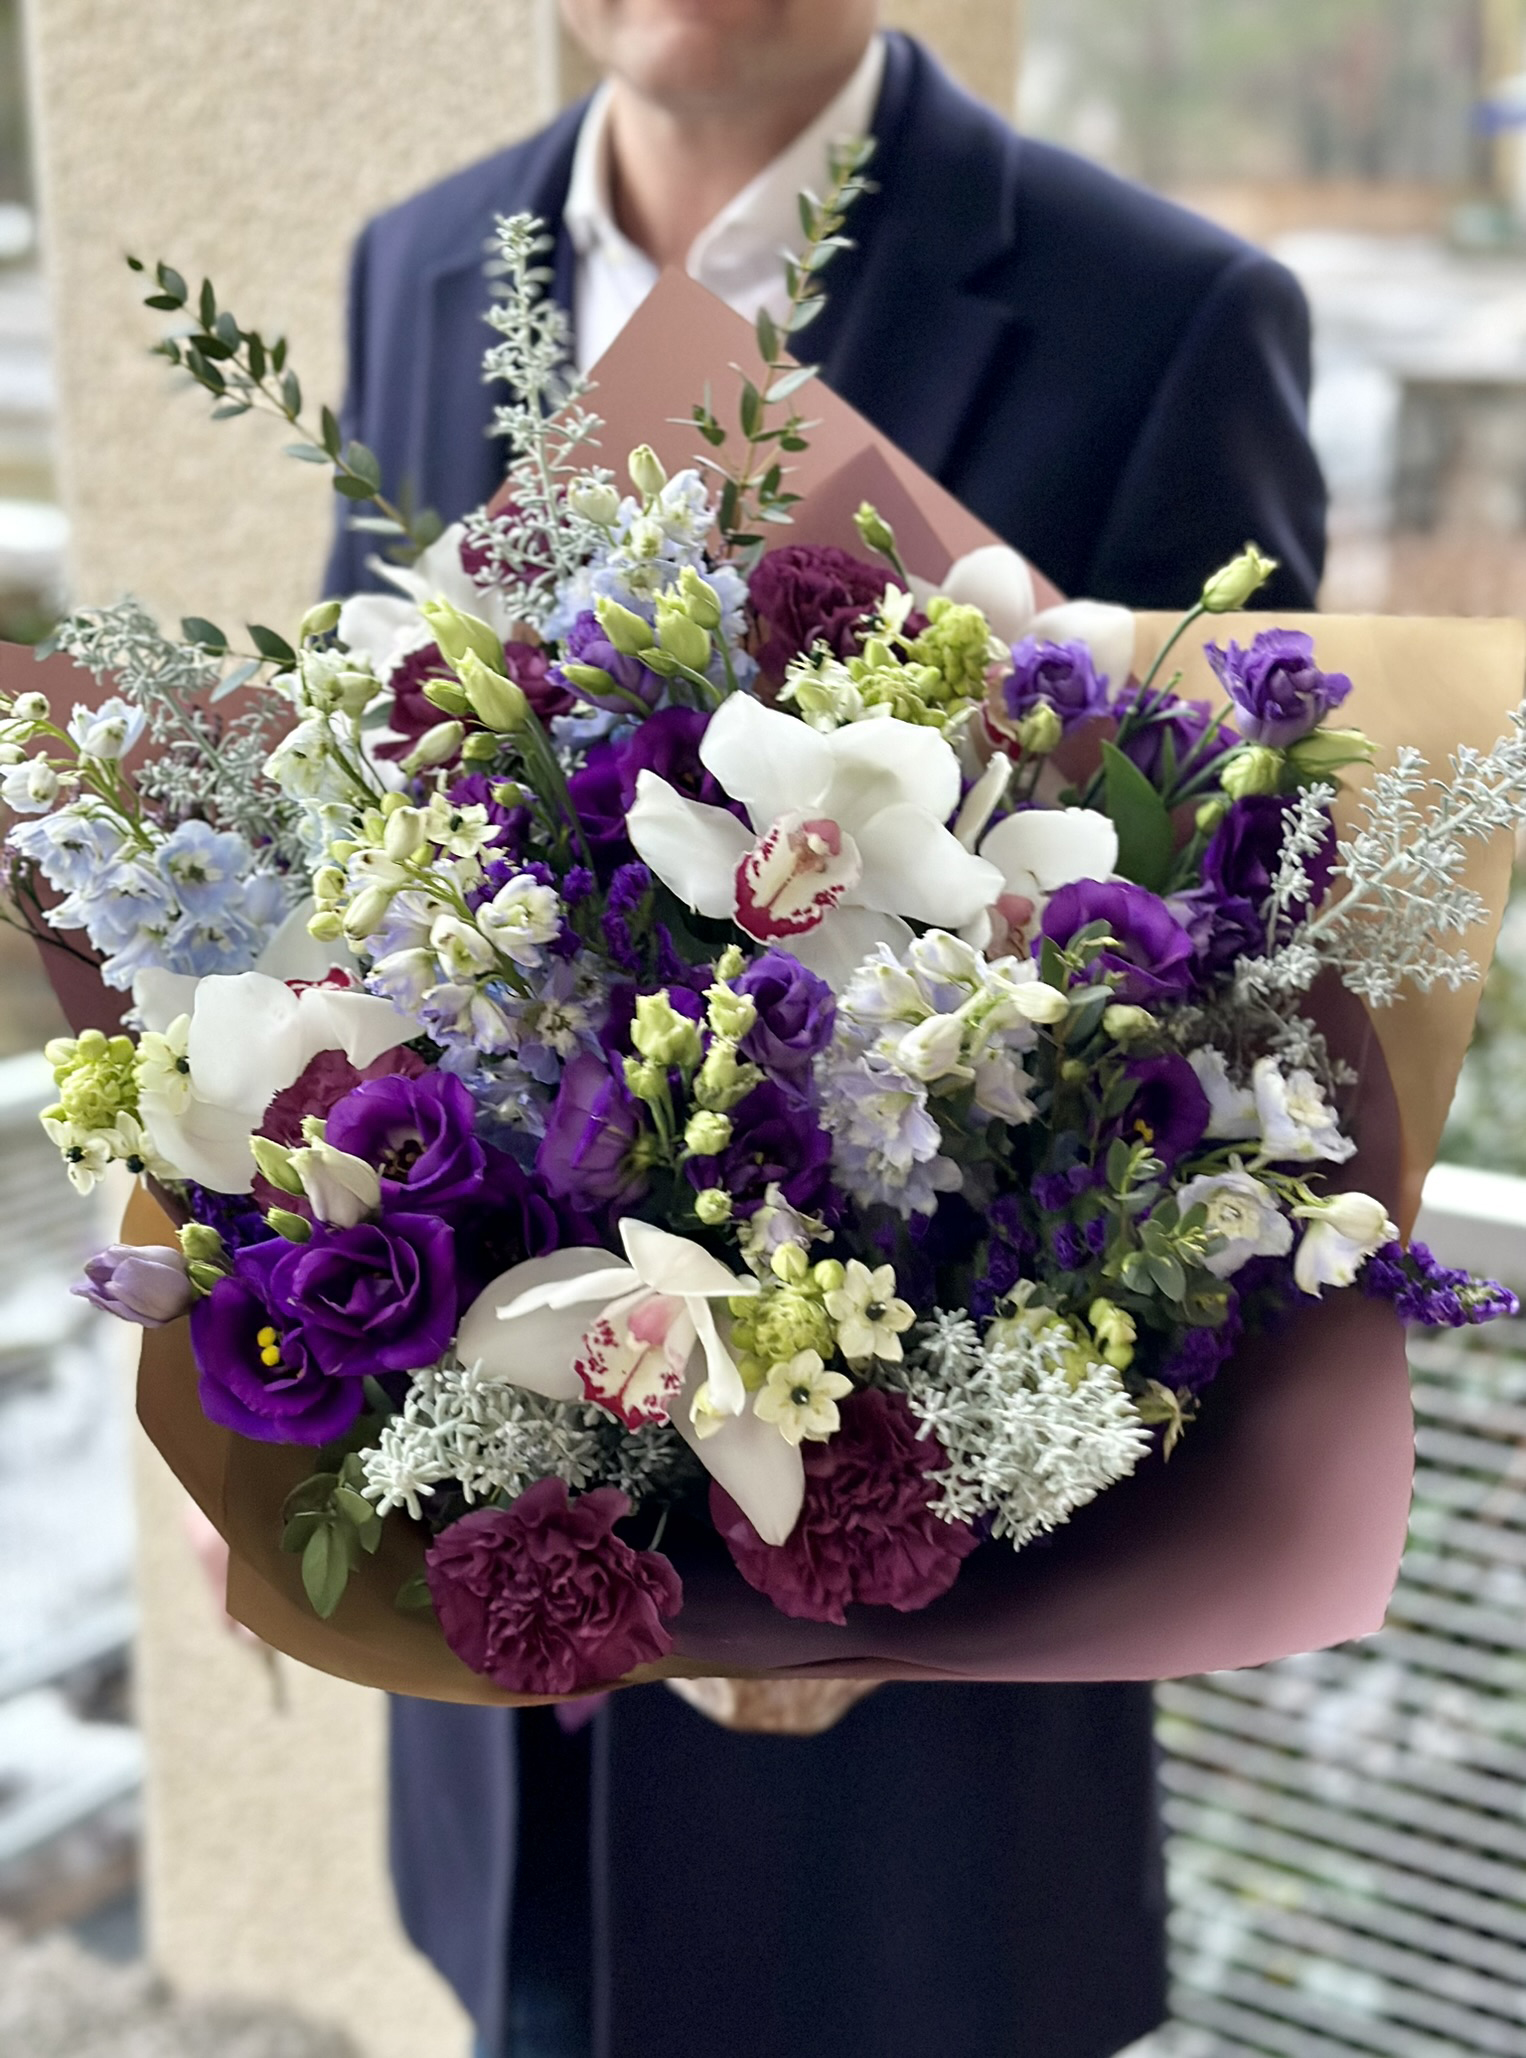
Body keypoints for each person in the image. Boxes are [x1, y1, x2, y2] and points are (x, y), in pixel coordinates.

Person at [325, 8, 1327, 2056]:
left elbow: (1259, 1012)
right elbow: (320, 858)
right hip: (497, 1691)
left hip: (908, 1767)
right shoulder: (417, 264)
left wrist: (916, 1520)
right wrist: (243, 1373)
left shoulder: (1161, 315)